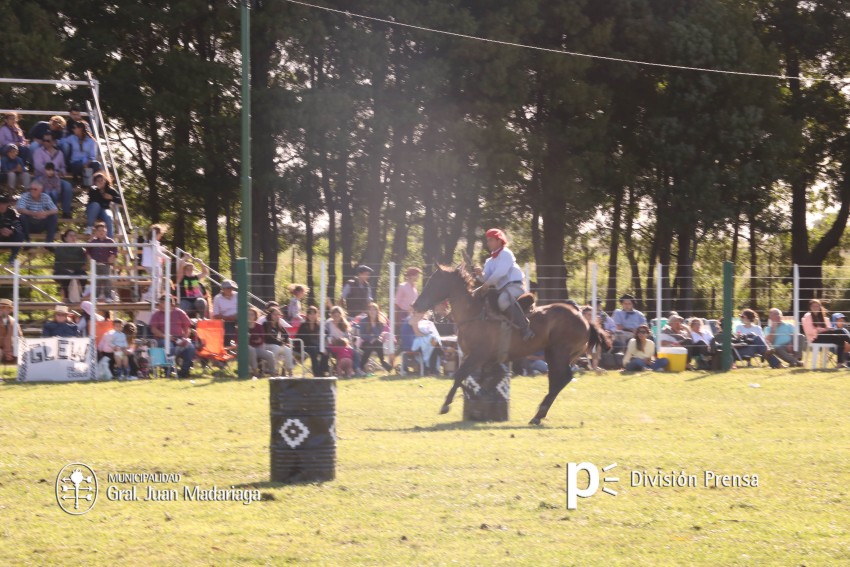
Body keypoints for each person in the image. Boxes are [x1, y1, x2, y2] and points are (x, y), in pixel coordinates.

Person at [475, 228, 533, 340]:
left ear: (499, 241)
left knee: (503, 300)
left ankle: (525, 328)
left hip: (516, 286)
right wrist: (480, 274)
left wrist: (487, 283)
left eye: (491, 240)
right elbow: (485, 278)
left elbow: (500, 272)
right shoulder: (489, 261)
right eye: (487, 240)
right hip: (502, 289)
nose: (488, 243)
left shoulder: (506, 253)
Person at [149, 295, 196, 378]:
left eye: (162, 302)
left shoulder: (180, 312)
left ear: (170, 304)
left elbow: (187, 328)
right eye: (160, 302)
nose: (159, 304)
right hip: (162, 338)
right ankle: (170, 370)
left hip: (179, 338)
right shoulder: (156, 314)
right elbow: (154, 330)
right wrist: (165, 336)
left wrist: (185, 338)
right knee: (168, 346)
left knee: (190, 347)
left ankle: (184, 371)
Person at [85, 222, 118, 302]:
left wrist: (112, 256)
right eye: (99, 231)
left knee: (107, 280)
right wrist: (89, 258)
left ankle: (108, 296)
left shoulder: (110, 241)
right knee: (96, 280)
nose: (101, 232)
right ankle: (95, 296)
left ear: (106, 231)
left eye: (103, 230)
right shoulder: (93, 241)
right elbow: (87, 250)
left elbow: (115, 250)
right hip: (95, 264)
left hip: (106, 264)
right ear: (96, 232)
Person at [326, 305, 364, 374]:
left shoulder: (344, 324)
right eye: (334, 316)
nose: (336, 318)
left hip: (344, 344)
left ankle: (357, 369)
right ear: (332, 315)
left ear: (341, 315)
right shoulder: (328, 323)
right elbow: (326, 335)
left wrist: (343, 341)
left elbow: (348, 338)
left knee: (356, 353)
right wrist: (331, 340)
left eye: (338, 316)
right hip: (333, 345)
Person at [54, 229, 87, 302]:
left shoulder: (80, 248)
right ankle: (66, 296)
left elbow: (82, 262)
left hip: (75, 271)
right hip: (61, 271)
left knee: (83, 275)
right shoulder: (60, 247)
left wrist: (72, 262)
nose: (73, 237)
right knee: (67, 275)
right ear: (65, 238)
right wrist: (75, 260)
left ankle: (80, 295)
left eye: (75, 236)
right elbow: (64, 258)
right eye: (71, 236)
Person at [295, 306, 328, 376]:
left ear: (317, 315)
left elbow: (326, 334)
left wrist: (323, 347)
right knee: (314, 350)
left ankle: (323, 371)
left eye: (314, 313)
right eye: (310, 313)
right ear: (307, 315)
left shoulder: (319, 325)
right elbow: (298, 339)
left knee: (326, 350)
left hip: (317, 346)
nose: (312, 316)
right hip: (305, 346)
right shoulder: (303, 325)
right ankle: (317, 373)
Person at [85, 172, 120, 238]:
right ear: (95, 182)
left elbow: (120, 199)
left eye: (102, 180)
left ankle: (110, 240)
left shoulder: (110, 189)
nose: (100, 182)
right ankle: (89, 226)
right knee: (96, 205)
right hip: (93, 210)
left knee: (109, 216)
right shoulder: (93, 189)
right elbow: (93, 199)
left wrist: (112, 197)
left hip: (104, 209)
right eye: (98, 181)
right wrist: (99, 190)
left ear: (105, 180)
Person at [359, 303, 392, 372]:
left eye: (374, 310)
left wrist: (373, 325)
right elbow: (362, 334)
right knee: (369, 346)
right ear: (368, 311)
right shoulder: (363, 321)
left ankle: (382, 362)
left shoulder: (380, 323)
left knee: (379, 343)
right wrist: (370, 339)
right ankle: (361, 366)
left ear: (377, 311)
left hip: (376, 342)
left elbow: (378, 334)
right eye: (370, 310)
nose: (372, 311)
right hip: (365, 342)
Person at [262, 306, 294, 375]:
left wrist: (285, 342)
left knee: (288, 350)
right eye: (274, 314)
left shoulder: (279, 325)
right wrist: (280, 343)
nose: (276, 316)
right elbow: (268, 338)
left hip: (278, 345)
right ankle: (274, 370)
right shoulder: (266, 324)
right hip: (266, 345)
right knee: (276, 348)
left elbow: (286, 335)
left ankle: (290, 371)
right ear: (270, 315)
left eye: (278, 315)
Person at [247, 307, 276, 377]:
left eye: (252, 315)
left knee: (270, 354)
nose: (250, 316)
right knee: (251, 349)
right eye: (248, 314)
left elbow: (262, 340)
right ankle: (255, 372)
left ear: (255, 316)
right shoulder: (242, 326)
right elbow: (238, 340)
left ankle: (273, 374)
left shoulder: (259, 327)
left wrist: (256, 340)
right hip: (246, 349)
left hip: (258, 348)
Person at [394, 266, 421, 330]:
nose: (418, 277)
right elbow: (397, 304)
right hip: (403, 315)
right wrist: (396, 320)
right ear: (411, 276)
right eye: (417, 275)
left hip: (413, 314)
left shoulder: (415, 288)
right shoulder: (402, 286)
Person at [212, 279, 238, 345]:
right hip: (225, 320)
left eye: (231, 288)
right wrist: (228, 318)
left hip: (239, 318)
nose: (230, 290)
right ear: (223, 289)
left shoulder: (238, 295)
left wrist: (237, 316)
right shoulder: (217, 298)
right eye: (228, 288)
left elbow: (244, 308)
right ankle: (227, 348)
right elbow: (216, 314)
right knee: (227, 331)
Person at [0, 194, 24, 264]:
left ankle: (12, 258)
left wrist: (11, 231)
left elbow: (18, 226)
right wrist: (1, 231)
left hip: (8, 239)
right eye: (0, 203)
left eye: (3, 203)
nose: (1, 205)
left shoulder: (11, 213)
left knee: (20, 235)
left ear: (7, 204)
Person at [0, 298, 17, 362]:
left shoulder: (14, 322)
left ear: (9, 310)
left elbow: (20, 338)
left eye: (4, 307)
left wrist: (11, 351)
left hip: (11, 350)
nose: (1, 309)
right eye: (0, 307)